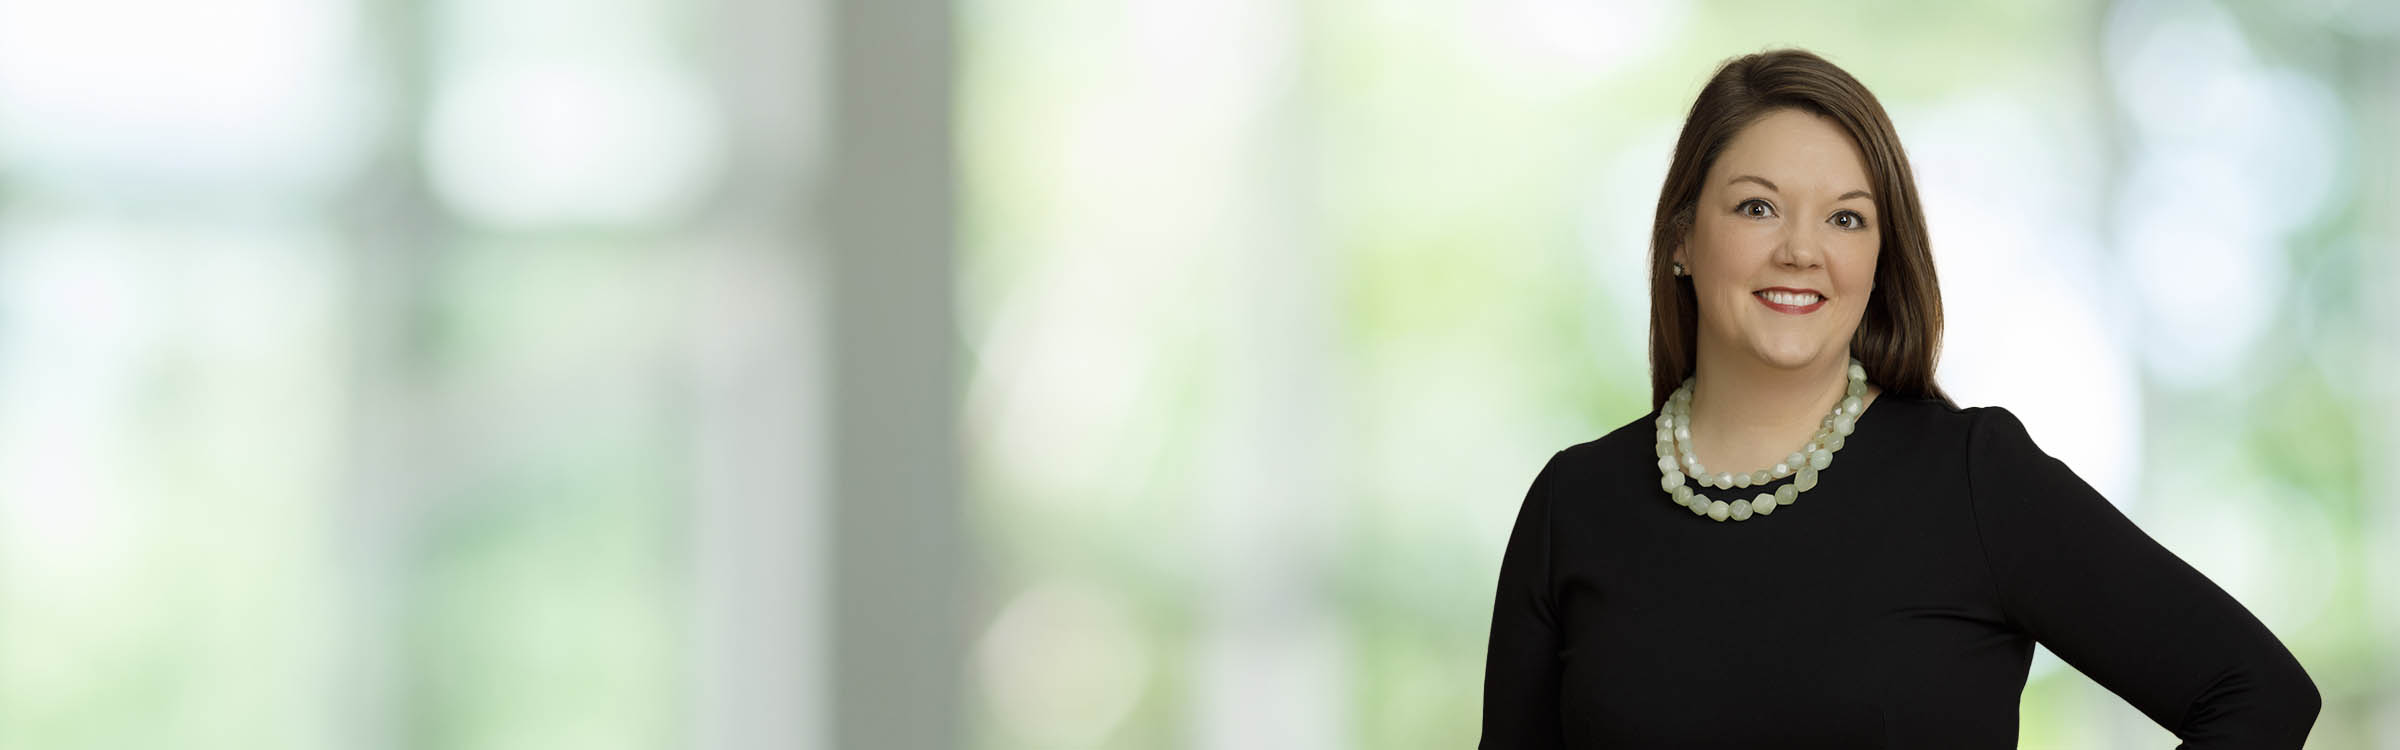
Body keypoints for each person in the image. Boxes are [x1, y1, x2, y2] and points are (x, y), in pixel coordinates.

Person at [1478, 48, 2321, 749]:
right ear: (1681, 240)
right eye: (1758, 207)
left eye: (1846, 219)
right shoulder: (1572, 506)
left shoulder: (1974, 480)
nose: (1801, 250)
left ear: (1880, 260)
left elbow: (2256, 694)